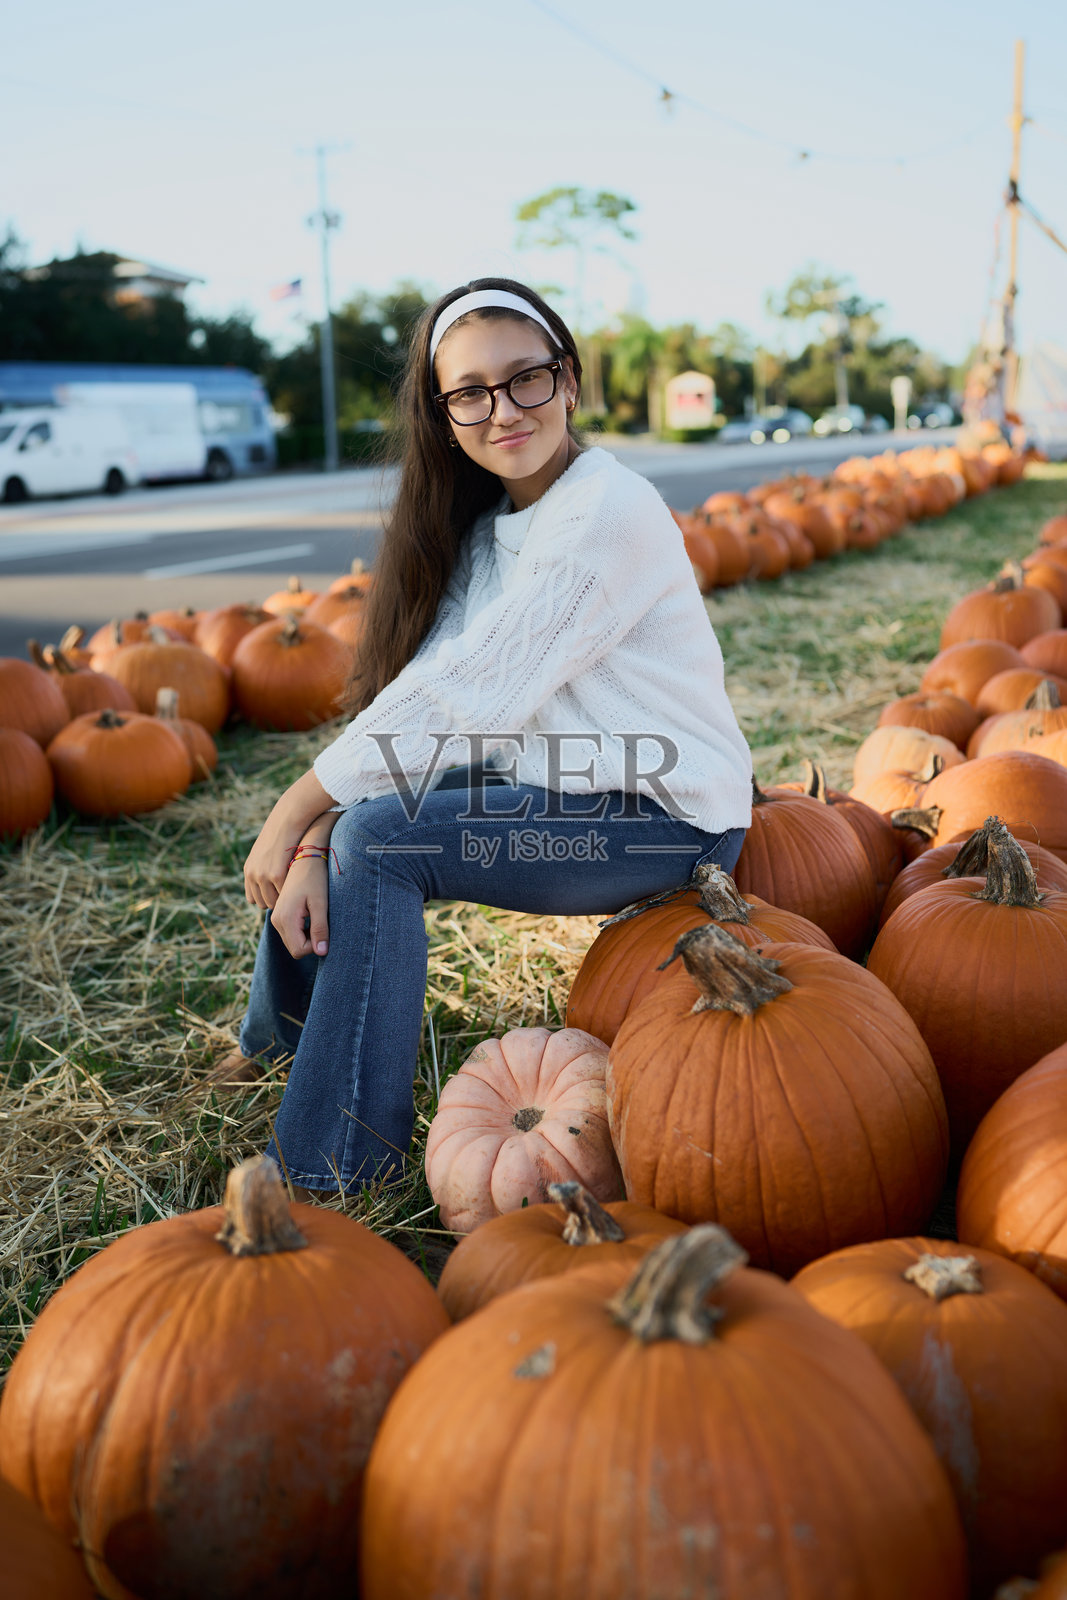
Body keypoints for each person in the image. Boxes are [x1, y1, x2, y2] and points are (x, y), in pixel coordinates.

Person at [215, 276, 753, 1200]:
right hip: (559, 785)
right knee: (358, 825)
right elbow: (428, 695)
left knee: (379, 842)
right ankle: (280, 1048)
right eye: (469, 392)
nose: (502, 409)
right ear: (442, 414)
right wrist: (312, 837)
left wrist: (298, 804)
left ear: (567, 380)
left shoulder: (608, 509)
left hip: (665, 819)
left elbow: (477, 689)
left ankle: (333, 1167)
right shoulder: (488, 533)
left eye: (524, 378)